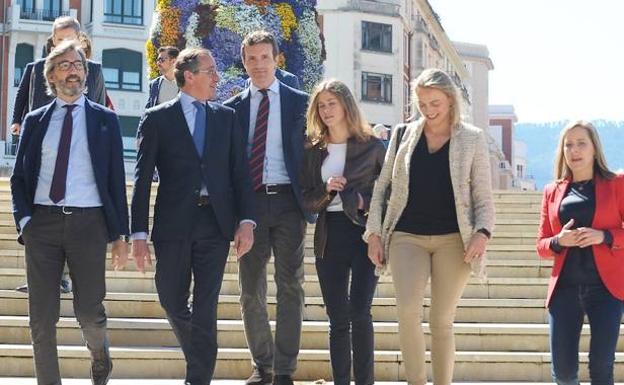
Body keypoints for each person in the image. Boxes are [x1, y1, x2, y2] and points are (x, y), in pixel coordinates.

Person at [131, 47, 255, 385]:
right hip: (173, 223)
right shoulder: (157, 118)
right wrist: (138, 234)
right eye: (210, 71)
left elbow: (240, 174)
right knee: (171, 297)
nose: (217, 78)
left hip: (215, 223)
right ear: (189, 76)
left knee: (206, 305)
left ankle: (197, 379)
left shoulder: (226, 118)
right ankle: (200, 354)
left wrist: (246, 220)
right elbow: (142, 178)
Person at [365, 68, 495, 385]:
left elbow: (483, 196)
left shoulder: (472, 139)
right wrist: (373, 233)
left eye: (435, 102)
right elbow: (382, 189)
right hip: (407, 235)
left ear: (450, 100)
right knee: (408, 311)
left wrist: (482, 232)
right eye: (422, 103)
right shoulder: (402, 135)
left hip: (455, 240)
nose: (429, 110)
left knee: (441, 320)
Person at [10, 41, 129, 385]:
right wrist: (26, 223)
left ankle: (99, 354)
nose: (73, 70)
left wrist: (120, 235)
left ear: (86, 72)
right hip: (42, 225)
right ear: (50, 76)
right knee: (41, 319)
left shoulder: (105, 120)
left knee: (89, 311)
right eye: (63, 65)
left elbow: (115, 181)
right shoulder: (35, 121)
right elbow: (19, 178)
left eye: (77, 64)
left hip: (89, 224)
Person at [224, 30, 314, 385]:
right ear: (243, 62)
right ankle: (264, 366)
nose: (259, 65)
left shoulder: (301, 103)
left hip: (291, 203)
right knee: (250, 290)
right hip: (250, 207)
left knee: (291, 285)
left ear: (277, 59)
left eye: (265, 57)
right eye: (251, 58)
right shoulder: (231, 109)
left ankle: (285, 370)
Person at [300, 79, 385, 385]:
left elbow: (389, 194)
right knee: (337, 319)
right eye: (321, 105)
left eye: (331, 103)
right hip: (328, 235)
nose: (325, 110)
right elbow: (306, 199)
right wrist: (325, 191)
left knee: (360, 312)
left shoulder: (373, 146)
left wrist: (362, 200)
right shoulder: (313, 148)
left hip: (363, 233)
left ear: (346, 105)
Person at [536, 120, 624, 385]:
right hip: (564, 289)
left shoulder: (617, 184)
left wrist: (605, 236)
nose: (575, 150)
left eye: (581, 143)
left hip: (606, 290)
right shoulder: (552, 191)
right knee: (562, 372)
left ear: (594, 149)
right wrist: (559, 241)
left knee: (601, 366)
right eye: (569, 145)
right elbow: (541, 244)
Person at [10, 16, 106, 135]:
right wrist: (16, 121)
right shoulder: (39, 67)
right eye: (60, 39)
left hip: (80, 135)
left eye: (69, 39)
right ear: (54, 39)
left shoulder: (94, 70)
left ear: (78, 39)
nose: (64, 44)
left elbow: (100, 105)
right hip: (43, 134)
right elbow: (24, 97)